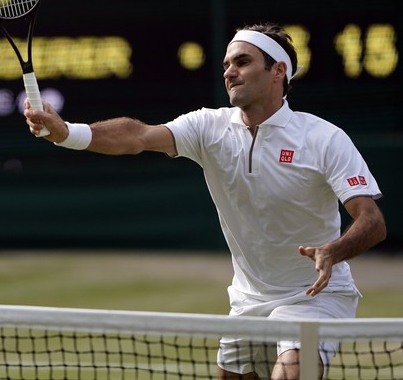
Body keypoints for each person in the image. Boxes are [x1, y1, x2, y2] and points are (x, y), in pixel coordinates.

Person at [24, 22, 387, 380]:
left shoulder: (324, 138)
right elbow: (137, 136)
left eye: (242, 62)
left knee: (294, 372)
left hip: (315, 297)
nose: (230, 72)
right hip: (248, 299)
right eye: (227, 64)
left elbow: (372, 221)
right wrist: (67, 133)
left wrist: (334, 251)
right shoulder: (208, 127)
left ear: (278, 71)